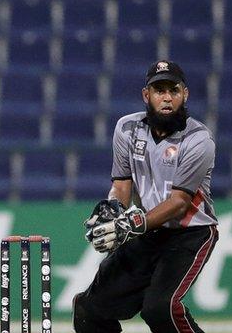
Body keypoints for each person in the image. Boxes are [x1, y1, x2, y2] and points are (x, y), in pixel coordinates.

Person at [74, 60, 218, 333]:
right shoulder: (127, 129)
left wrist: (130, 225)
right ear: (146, 95)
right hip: (147, 232)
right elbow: (121, 184)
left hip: (190, 233)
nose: (166, 98)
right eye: (159, 90)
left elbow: (179, 203)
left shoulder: (199, 139)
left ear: (184, 94)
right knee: (89, 308)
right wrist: (114, 210)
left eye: (173, 90)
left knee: (160, 309)